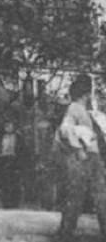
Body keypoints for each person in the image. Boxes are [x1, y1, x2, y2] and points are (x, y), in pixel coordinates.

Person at [55, 74, 106, 242]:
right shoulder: (75, 108)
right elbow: (65, 129)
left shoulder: (86, 111)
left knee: (100, 196)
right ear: (86, 93)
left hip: (92, 156)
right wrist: (78, 149)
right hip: (82, 157)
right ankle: (65, 234)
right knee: (77, 196)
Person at [0, 120, 20, 208]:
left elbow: (21, 150)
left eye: (10, 126)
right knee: (5, 182)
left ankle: (14, 203)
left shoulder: (18, 137)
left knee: (14, 182)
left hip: (14, 161)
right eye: (6, 126)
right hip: (4, 160)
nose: (8, 128)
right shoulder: (2, 137)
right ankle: (5, 203)